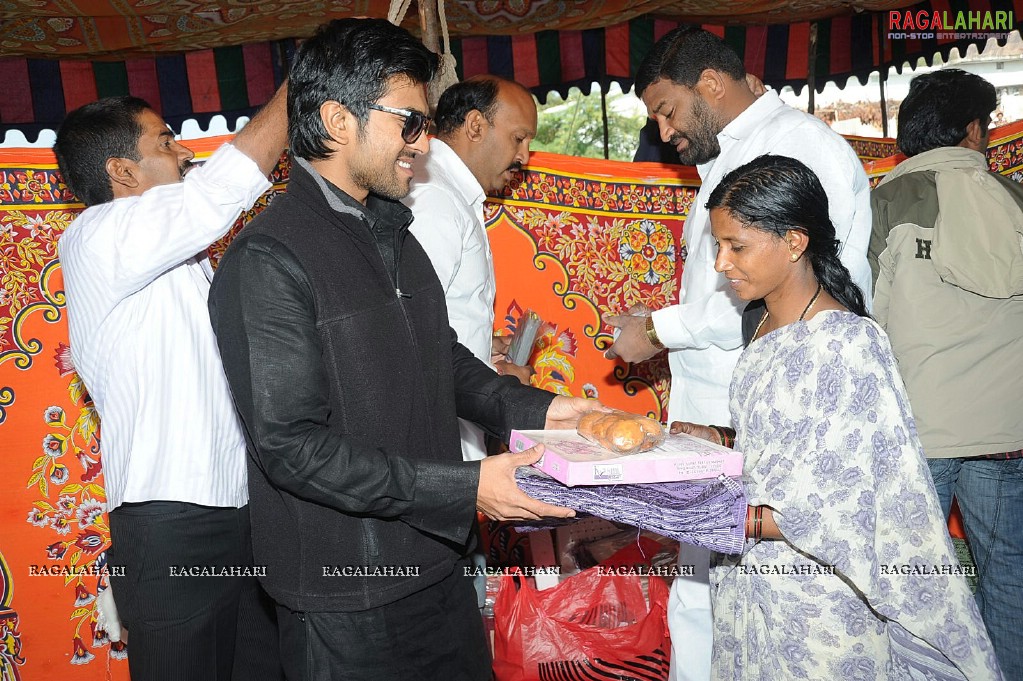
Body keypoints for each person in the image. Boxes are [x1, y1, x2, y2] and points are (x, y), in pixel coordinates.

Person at [206, 19, 597, 680]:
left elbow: (438, 360)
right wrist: (468, 485)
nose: (424, 144)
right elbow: (292, 448)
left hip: (435, 565)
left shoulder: (394, 230)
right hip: (344, 595)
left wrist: (554, 412)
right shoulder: (270, 258)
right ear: (337, 120)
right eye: (409, 123)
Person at [604, 27, 873, 681]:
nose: (664, 131)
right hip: (721, 416)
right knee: (700, 596)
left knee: (759, 598)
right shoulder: (734, 154)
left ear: (710, 85)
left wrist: (659, 329)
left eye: (667, 110)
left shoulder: (795, 147)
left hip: (769, 414)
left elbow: (779, 291)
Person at [677, 153, 1001, 679]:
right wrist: (716, 437)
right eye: (718, 246)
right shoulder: (761, 327)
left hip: (820, 605)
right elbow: (793, 444)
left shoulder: (847, 344)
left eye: (736, 246)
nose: (721, 263)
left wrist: (719, 519)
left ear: (794, 242)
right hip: (752, 586)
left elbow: (842, 508)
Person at [54, 84, 288, 679]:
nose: (184, 153)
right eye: (166, 141)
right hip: (170, 525)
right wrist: (305, 82)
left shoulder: (184, 262)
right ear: (121, 172)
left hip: (239, 514)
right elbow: (220, 191)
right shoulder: (98, 234)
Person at [870, 68, 1023, 679]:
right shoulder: (1015, 199)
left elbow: (861, 313)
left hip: (919, 431)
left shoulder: (883, 203)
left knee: (913, 590)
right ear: (973, 133)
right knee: (1010, 579)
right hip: (1006, 431)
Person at [404, 75, 538, 462]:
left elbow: (437, 312)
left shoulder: (450, 193)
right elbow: (411, 334)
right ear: (476, 126)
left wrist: (481, 346)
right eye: (519, 138)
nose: (525, 157)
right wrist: (499, 386)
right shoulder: (435, 199)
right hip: (437, 443)